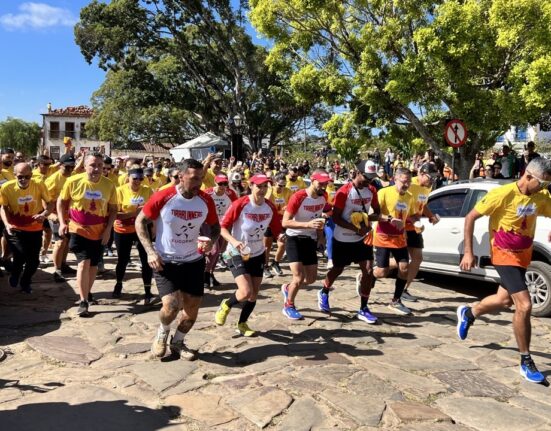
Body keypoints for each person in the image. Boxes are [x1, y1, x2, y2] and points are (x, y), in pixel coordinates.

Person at [458, 158, 551, 383]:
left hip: (522, 256)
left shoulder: (541, 196)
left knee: (504, 300)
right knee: (524, 305)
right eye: (542, 183)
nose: (544, 188)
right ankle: (526, 360)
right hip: (502, 253)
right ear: (528, 176)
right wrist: (469, 252)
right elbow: (470, 217)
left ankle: (469, 313)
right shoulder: (503, 194)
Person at [136, 158, 220, 361]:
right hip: (166, 261)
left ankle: (178, 341)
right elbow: (140, 222)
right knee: (171, 307)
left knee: (192, 311)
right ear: (181, 176)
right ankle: (163, 331)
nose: (199, 183)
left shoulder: (205, 199)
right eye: (194, 178)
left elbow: (215, 226)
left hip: (193, 261)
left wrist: (211, 241)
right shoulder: (165, 196)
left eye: (201, 178)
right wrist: (150, 252)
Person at [214, 174, 283, 336]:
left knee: (253, 294)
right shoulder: (241, 203)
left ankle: (242, 323)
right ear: (251, 185)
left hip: (257, 253)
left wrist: (280, 236)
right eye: (259, 186)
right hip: (236, 252)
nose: (263, 190)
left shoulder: (270, 207)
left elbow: (276, 228)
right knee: (245, 292)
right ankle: (226, 304)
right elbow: (222, 228)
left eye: (266, 186)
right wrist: (234, 241)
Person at [321, 160, 381, 323]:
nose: (369, 181)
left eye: (372, 178)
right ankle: (324, 291)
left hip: (362, 238)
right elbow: (336, 217)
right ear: (357, 173)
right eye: (367, 177)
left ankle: (363, 308)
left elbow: (377, 212)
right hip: (343, 238)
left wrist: (366, 220)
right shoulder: (344, 191)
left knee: (368, 271)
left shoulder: (372, 190)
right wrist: (355, 228)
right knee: (338, 269)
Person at [58, 152, 118, 316]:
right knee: (83, 262)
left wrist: (108, 230)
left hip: (99, 231)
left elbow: (113, 210)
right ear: (84, 166)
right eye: (92, 165)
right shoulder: (73, 181)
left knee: (93, 266)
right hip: (78, 228)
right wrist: (63, 222)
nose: (97, 168)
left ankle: (87, 292)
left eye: (100, 165)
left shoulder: (109, 185)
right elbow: (62, 202)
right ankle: (83, 301)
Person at [281, 169, 330, 320]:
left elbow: (320, 220)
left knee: (311, 279)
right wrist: (308, 225)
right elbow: (285, 222)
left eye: (326, 183)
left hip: (310, 240)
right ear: (312, 180)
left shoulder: (324, 197)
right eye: (321, 183)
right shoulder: (299, 196)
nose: (323, 186)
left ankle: (287, 288)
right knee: (299, 277)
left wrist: (321, 238)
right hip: (294, 238)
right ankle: (289, 305)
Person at [0, 163, 53, 293]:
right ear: (14, 176)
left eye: (27, 177)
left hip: (34, 228)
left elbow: (50, 203)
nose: (24, 180)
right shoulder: (6, 188)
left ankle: (25, 280)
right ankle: (15, 274)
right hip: (14, 227)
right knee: (20, 255)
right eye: (20, 177)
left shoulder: (39, 184)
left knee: (34, 262)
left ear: (31, 175)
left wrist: (44, 215)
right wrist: (7, 224)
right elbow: (3, 208)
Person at [373, 167, 414, 315]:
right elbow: (373, 215)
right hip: (383, 236)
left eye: (409, 181)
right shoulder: (383, 192)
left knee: (404, 267)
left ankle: (396, 301)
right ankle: (369, 276)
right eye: (403, 181)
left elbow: (405, 217)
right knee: (382, 272)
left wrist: (410, 226)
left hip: (399, 238)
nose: (406, 184)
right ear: (395, 179)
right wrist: (390, 219)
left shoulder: (409, 197)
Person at [112, 167, 154, 303]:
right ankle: (118, 284)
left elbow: (154, 212)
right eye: (135, 178)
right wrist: (134, 214)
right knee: (123, 260)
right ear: (128, 177)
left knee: (146, 260)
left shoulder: (147, 190)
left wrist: (153, 228)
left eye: (141, 178)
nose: (138, 181)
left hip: (142, 230)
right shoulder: (119, 191)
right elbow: (115, 214)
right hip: (123, 230)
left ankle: (148, 291)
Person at [401, 163, 440, 302]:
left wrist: (430, 216)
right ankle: (376, 271)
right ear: (421, 174)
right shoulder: (409, 185)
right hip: (402, 226)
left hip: (414, 226)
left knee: (417, 258)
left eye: (435, 177)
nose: (433, 180)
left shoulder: (427, 187)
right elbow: (401, 205)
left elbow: (422, 204)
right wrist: (412, 220)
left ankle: (404, 289)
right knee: (400, 261)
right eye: (431, 177)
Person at [44, 154, 77, 282]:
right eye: (67, 167)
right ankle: (57, 270)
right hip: (55, 214)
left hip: (69, 214)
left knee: (67, 241)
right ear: (60, 165)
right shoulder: (52, 179)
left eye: (72, 167)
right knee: (60, 242)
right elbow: (44, 198)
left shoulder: (73, 177)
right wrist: (49, 214)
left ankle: (63, 264)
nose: (70, 169)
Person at [203, 173, 238, 288]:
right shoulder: (208, 193)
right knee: (214, 249)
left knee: (219, 251)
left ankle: (210, 273)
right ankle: (206, 273)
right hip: (209, 224)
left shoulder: (230, 193)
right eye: (220, 184)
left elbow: (236, 207)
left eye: (225, 184)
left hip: (223, 224)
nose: (223, 186)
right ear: (215, 182)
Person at [264, 173, 292, 277]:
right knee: (267, 246)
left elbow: (292, 203)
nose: (282, 188)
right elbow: (265, 201)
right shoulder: (269, 191)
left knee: (282, 244)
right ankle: (265, 266)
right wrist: (271, 189)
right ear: (274, 183)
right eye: (280, 185)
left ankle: (275, 263)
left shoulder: (288, 191)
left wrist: (288, 207)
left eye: (284, 185)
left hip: (281, 220)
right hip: (269, 220)